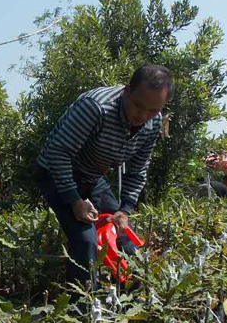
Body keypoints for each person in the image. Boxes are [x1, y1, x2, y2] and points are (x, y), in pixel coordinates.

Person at [35, 64, 172, 297]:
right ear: (127, 90)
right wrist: (74, 200)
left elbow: (138, 169)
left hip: (92, 176)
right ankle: (84, 314)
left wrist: (125, 209)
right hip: (56, 171)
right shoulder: (96, 107)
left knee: (123, 237)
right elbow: (59, 153)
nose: (142, 116)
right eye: (138, 106)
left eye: (152, 110)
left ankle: (129, 304)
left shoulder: (153, 121)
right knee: (85, 240)